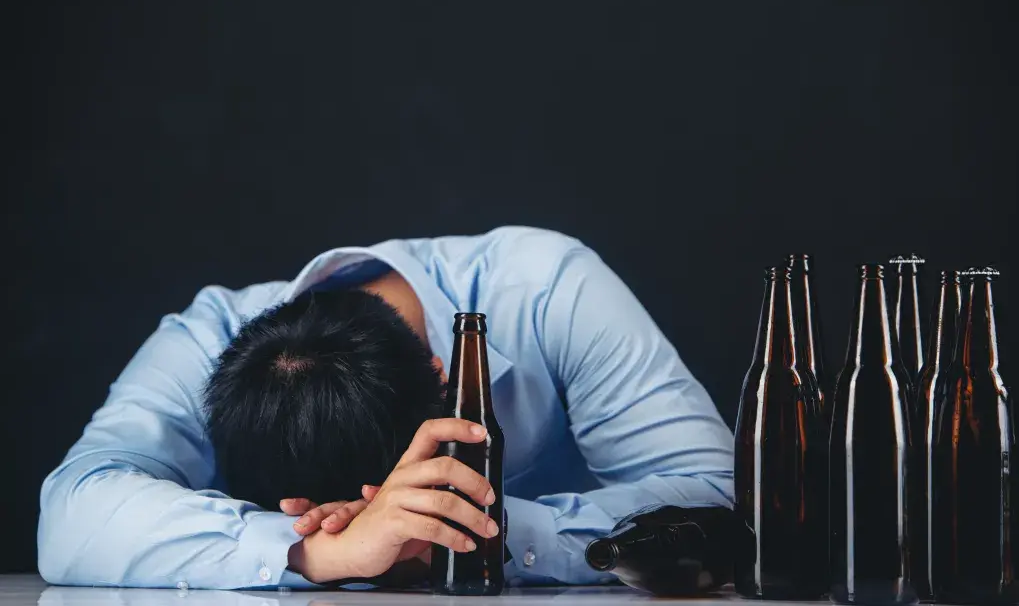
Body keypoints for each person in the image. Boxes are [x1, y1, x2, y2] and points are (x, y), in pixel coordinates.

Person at [38, 226, 734, 589]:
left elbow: (726, 498)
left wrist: (459, 530)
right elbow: (72, 515)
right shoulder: (208, 336)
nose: (381, 521)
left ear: (447, 384)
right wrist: (313, 550)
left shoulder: (546, 288)